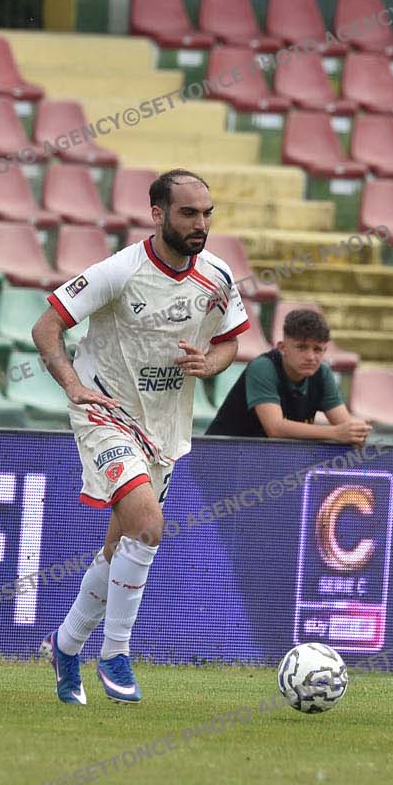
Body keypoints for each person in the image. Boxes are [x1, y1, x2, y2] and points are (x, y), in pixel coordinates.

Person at [33, 170, 248, 705]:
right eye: (188, 213)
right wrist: (74, 385)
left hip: (164, 431)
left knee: (120, 548)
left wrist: (211, 363)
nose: (200, 224)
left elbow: (229, 342)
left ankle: (65, 646)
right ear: (157, 213)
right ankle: (115, 653)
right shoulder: (120, 271)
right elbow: (46, 327)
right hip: (106, 415)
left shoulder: (218, 276)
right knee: (149, 526)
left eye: (206, 214)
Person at [205, 308, 371, 447]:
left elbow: (345, 426)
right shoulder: (262, 367)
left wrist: (356, 431)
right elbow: (275, 429)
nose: (311, 357)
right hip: (221, 457)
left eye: (318, 349)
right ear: (282, 348)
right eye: (302, 347)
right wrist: (335, 433)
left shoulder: (322, 372)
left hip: (267, 460)